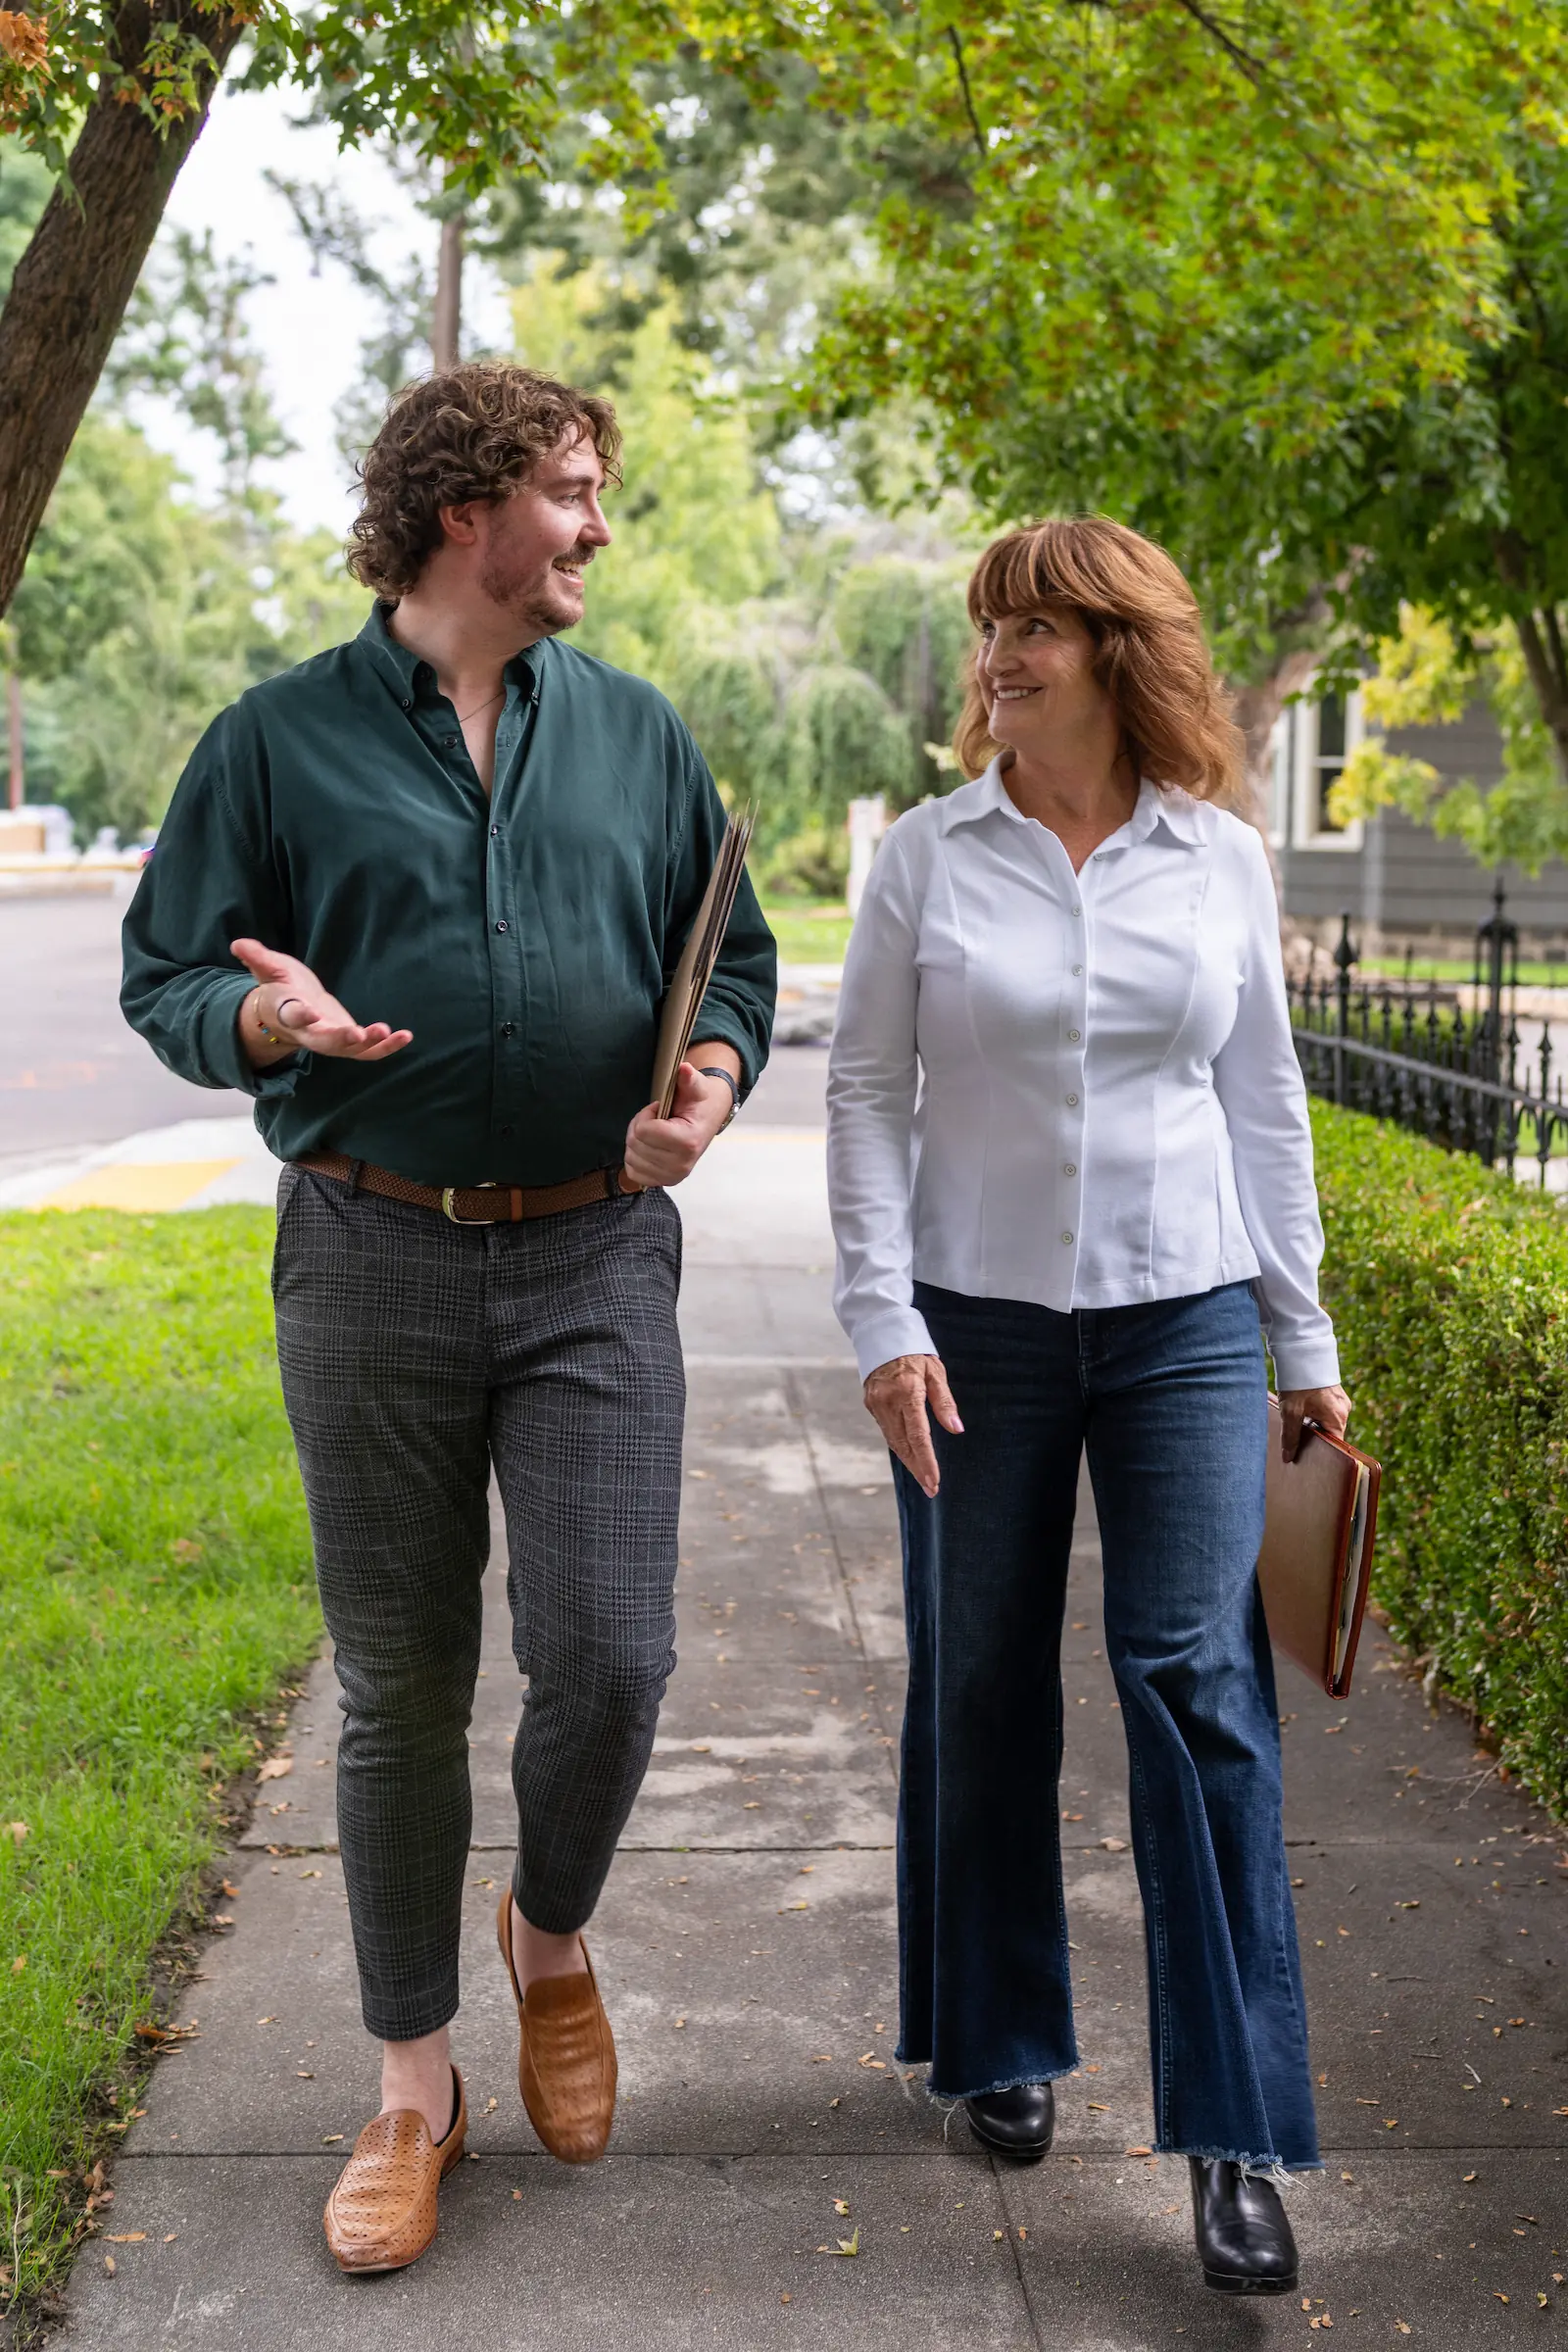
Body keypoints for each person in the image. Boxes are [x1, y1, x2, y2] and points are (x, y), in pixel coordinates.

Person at [122, 362, 776, 2275]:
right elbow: (171, 975)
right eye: (570, 490)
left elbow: (723, 958)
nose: (594, 525)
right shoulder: (271, 742)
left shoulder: (639, 738)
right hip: (368, 1253)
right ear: (461, 507)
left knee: (615, 1657)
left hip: (591, 1257)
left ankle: (547, 1936)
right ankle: (415, 2086)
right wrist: (263, 1022)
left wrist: (708, 1084)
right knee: (401, 1690)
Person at [825, 516, 1349, 2298]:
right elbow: (864, 1099)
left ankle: (1234, 2137)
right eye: (987, 631)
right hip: (973, 1329)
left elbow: (1264, 1102)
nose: (997, 660)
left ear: (1116, 652)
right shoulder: (925, 859)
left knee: (1196, 1688)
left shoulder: (1216, 861)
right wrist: (881, 1317)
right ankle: (997, 2041)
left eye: (1031, 629)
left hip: (1188, 1317)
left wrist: (1306, 1344)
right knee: (975, 1672)